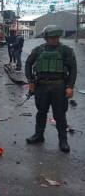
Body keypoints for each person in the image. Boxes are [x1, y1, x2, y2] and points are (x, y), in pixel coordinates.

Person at [25, 25, 77, 153]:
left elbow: (73, 69)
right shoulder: (38, 50)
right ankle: (38, 135)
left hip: (59, 86)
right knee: (41, 112)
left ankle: (63, 141)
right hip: (41, 86)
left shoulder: (66, 50)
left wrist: (70, 87)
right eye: (51, 37)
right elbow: (28, 64)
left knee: (59, 115)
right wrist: (31, 81)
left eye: (56, 37)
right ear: (46, 37)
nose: (54, 40)